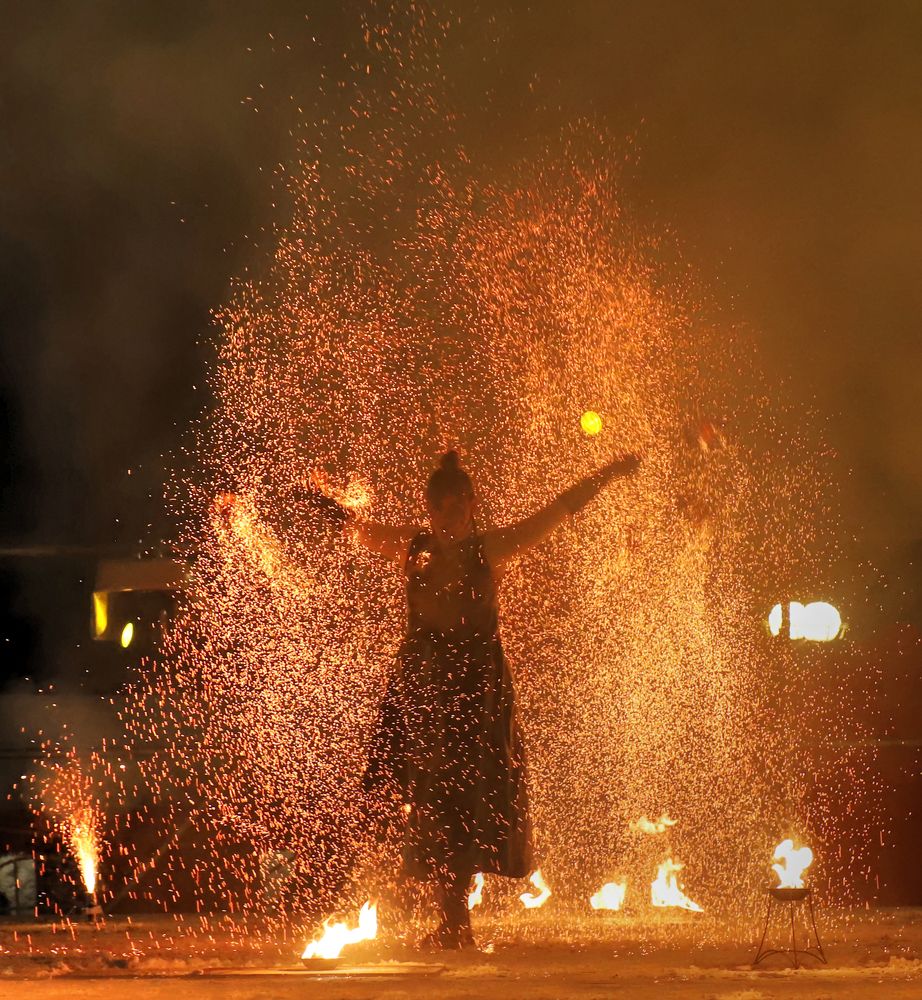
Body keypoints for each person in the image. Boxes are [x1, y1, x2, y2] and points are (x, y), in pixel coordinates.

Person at [341, 449, 640, 949]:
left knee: (465, 796)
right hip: (423, 688)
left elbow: (557, 511)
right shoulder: (413, 548)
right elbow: (356, 528)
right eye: (441, 510)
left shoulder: (490, 549)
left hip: (474, 693)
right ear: (430, 510)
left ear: (472, 507)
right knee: (423, 796)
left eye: (458, 509)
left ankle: (455, 918)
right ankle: (436, 911)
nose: (449, 519)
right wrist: (319, 509)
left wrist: (606, 475)